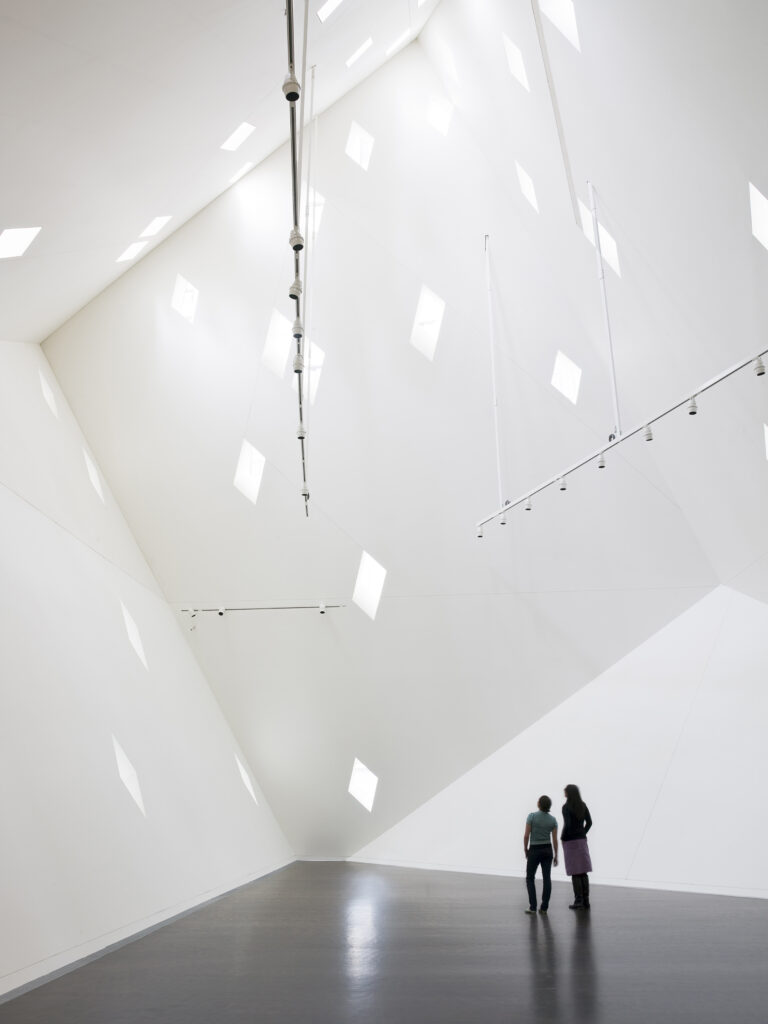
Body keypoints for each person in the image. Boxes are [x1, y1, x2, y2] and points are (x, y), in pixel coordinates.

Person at [523, 795, 559, 915]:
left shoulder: (532, 816)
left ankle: (533, 907)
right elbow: (554, 839)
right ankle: (544, 908)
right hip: (547, 850)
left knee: (530, 878)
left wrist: (525, 849)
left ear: (539, 804)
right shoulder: (553, 820)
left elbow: (526, 835)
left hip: (534, 849)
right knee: (547, 878)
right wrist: (556, 855)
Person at [561, 784, 593, 909]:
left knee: (575, 872)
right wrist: (582, 833)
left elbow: (567, 825)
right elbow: (589, 822)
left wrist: (563, 837)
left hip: (570, 841)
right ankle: (586, 901)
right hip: (581, 840)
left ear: (568, 793)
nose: (564, 793)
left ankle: (578, 901)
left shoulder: (566, 807)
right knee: (583, 871)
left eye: (565, 791)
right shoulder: (582, 805)